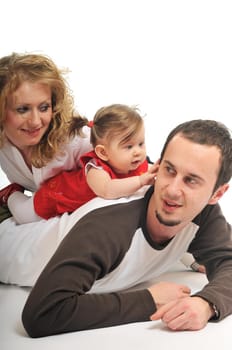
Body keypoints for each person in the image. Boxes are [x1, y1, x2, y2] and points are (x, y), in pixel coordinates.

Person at [22, 119, 232, 337]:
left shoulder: (202, 213)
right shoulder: (108, 226)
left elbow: (228, 262)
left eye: (191, 180)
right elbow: (42, 313)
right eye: (169, 170)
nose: (172, 190)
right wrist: (148, 300)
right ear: (158, 166)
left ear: (216, 194)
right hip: (13, 241)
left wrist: (207, 303)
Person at [2, 104, 157, 223]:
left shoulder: (135, 162)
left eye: (141, 143)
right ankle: (11, 195)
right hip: (55, 196)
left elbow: (150, 170)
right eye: (128, 147)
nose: (138, 152)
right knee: (25, 216)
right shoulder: (96, 169)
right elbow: (108, 190)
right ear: (103, 153)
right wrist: (141, 181)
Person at [0, 52, 92, 223]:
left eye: (44, 107)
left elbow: (123, 158)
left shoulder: (76, 139)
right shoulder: (3, 143)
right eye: (22, 109)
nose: (35, 122)